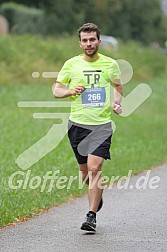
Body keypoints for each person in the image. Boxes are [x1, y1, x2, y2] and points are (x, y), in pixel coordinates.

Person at [53, 23, 123, 232]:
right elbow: (56, 90)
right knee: (85, 174)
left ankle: (91, 216)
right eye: (85, 40)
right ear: (80, 43)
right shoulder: (71, 64)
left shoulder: (110, 64)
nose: (89, 43)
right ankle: (97, 196)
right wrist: (70, 91)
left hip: (101, 125)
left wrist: (117, 102)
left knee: (94, 168)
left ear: (99, 41)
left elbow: (118, 86)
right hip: (77, 125)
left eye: (92, 39)